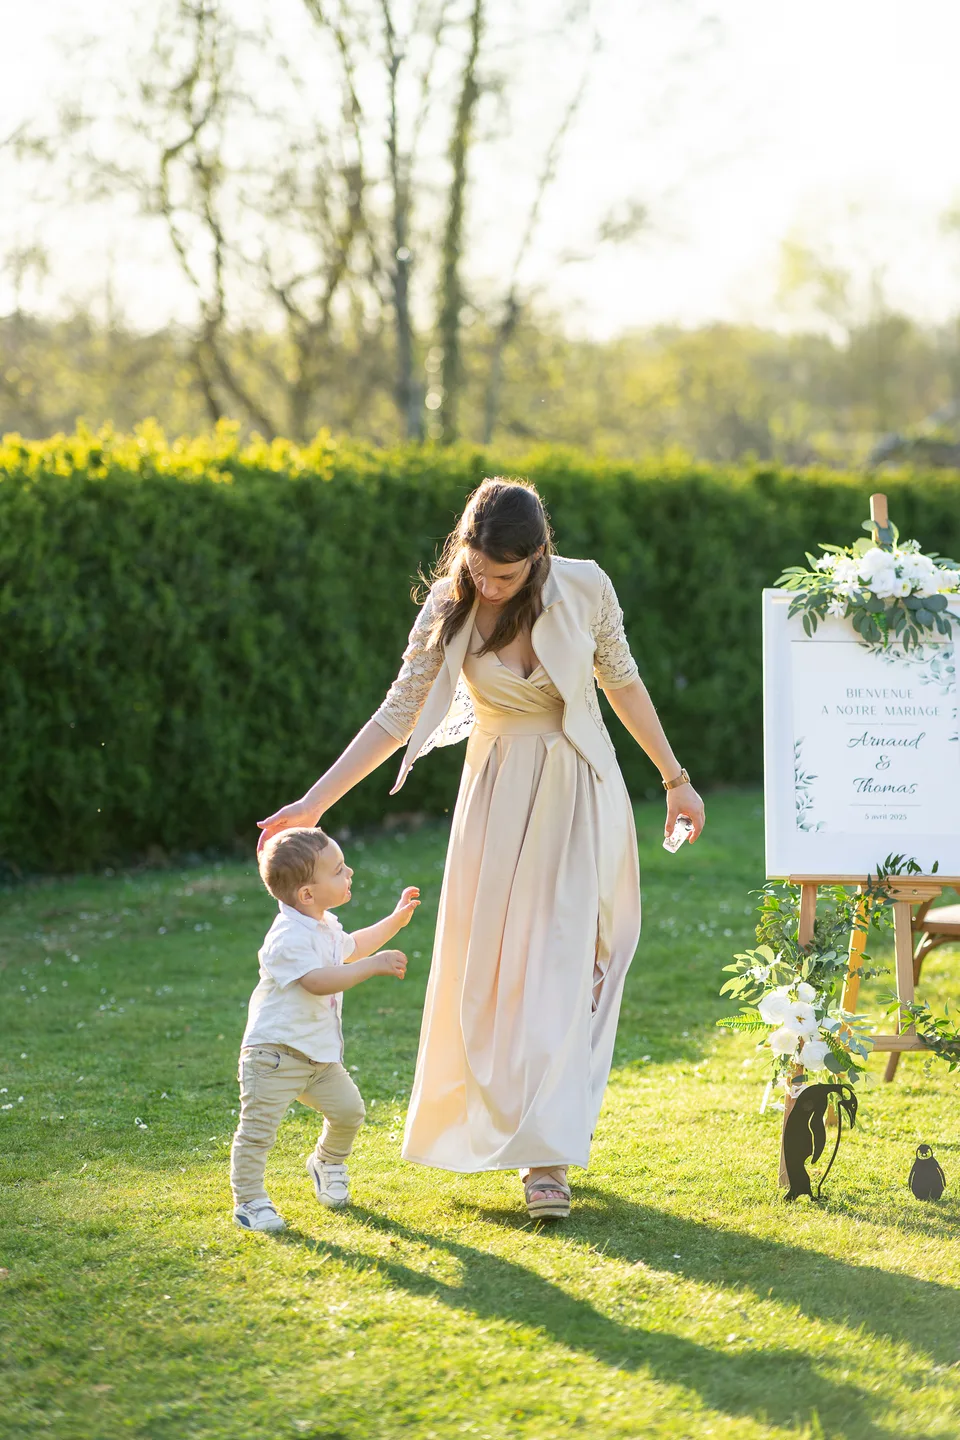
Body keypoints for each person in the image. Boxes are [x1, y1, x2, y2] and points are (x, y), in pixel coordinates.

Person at [258, 478, 704, 1220]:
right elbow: (397, 714)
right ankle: (533, 1144)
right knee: (504, 975)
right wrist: (313, 802)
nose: (489, 586)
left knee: (573, 963)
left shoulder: (586, 588)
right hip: (496, 797)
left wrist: (674, 779)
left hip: (578, 790)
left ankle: (546, 1157)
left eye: (506, 575)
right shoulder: (449, 603)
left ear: (538, 557)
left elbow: (622, 683)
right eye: (478, 570)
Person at [231, 826, 419, 1232]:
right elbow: (316, 980)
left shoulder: (324, 925)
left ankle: (327, 1162)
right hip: (274, 1056)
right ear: (307, 894)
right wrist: (371, 968)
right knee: (258, 1133)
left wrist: (395, 921)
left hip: (317, 1057)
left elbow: (352, 945)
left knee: (350, 1113)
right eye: (338, 870)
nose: (348, 871)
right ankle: (250, 1200)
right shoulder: (286, 938)